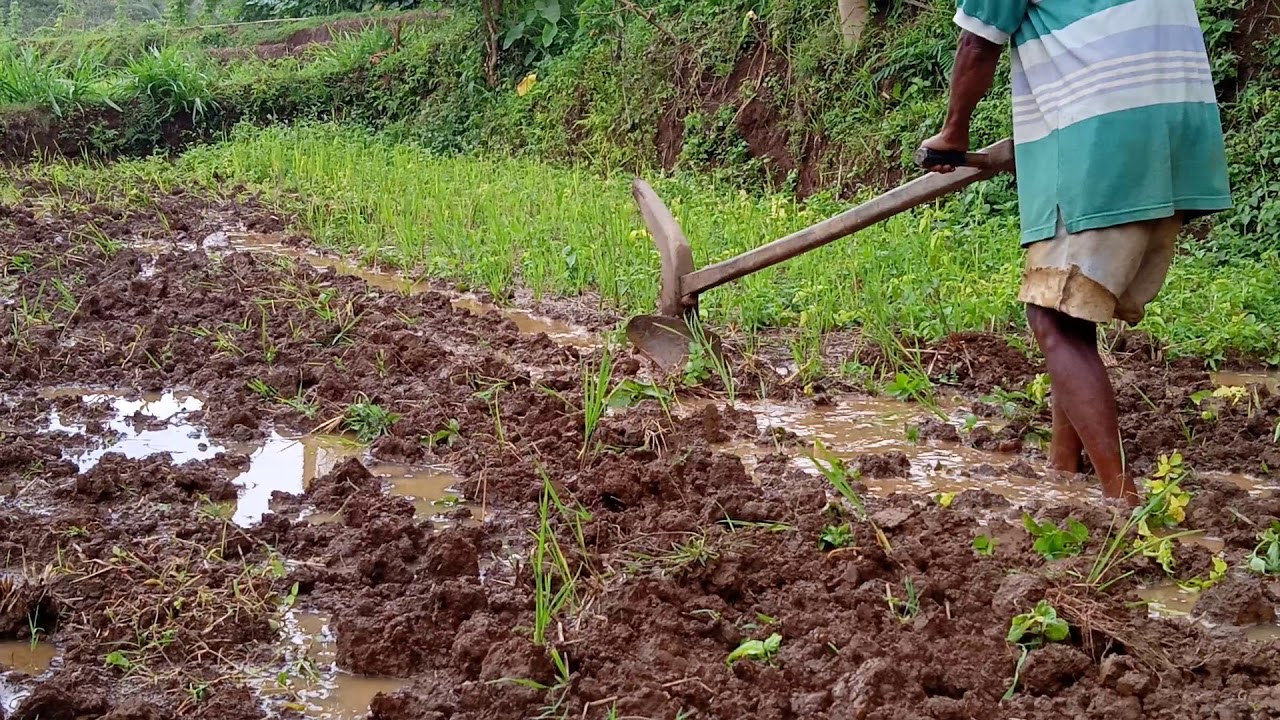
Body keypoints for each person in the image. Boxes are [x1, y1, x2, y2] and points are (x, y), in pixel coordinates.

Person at [921, 0, 1233, 503]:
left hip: (1103, 136)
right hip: (1179, 138)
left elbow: (977, 43)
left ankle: (1120, 497)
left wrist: (954, 133)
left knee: (1052, 321)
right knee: (1069, 311)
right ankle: (1063, 467)